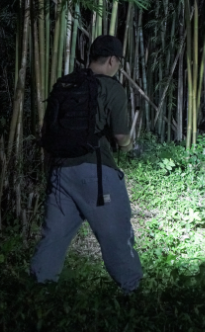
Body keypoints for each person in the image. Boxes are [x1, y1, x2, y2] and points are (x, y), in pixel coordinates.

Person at [30, 35, 143, 294]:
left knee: (54, 236)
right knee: (116, 233)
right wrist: (129, 148)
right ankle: (133, 292)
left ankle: (38, 291)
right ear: (113, 60)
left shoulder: (66, 85)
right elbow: (121, 136)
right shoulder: (112, 88)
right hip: (96, 174)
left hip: (60, 172)